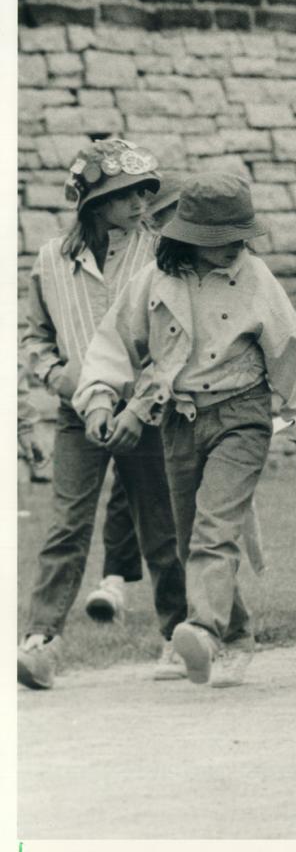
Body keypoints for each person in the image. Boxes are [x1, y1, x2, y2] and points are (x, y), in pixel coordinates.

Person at [72, 173, 296, 689]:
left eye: (240, 236)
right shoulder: (153, 280)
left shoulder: (256, 278)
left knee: (215, 529)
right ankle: (235, 636)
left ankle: (201, 629)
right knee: (193, 535)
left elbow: (293, 351)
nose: (233, 248)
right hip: (178, 422)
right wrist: (100, 396)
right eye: (221, 238)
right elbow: (114, 342)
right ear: (187, 233)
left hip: (242, 416)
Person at [17, 141, 187, 690]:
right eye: (126, 194)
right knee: (66, 526)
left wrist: (138, 406)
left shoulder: (161, 253)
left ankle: (178, 636)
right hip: (75, 417)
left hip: (145, 412)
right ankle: (40, 642)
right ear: (94, 202)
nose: (141, 203)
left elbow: (173, 340)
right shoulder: (50, 261)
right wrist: (60, 380)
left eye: (145, 191)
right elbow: (34, 337)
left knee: (161, 528)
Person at [86, 171, 188, 626]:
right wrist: (115, 399)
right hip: (148, 405)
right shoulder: (151, 273)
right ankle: (175, 621)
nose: (170, 222)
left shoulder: (228, 265)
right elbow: (131, 345)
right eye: (162, 215)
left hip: (202, 410)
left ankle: (208, 618)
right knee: (152, 511)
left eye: (178, 211)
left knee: (201, 519)